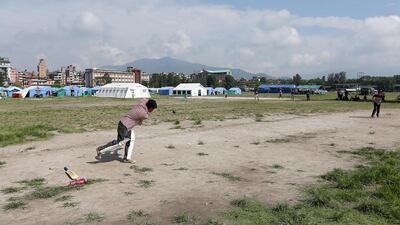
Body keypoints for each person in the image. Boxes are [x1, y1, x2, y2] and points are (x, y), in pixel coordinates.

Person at [96, 99, 157, 163]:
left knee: (131, 139)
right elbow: (145, 117)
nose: (152, 111)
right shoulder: (144, 114)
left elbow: (146, 100)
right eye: (153, 109)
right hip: (124, 126)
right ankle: (101, 149)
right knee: (119, 143)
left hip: (126, 125)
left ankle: (127, 158)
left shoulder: (142, 103)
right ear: (150, 107)